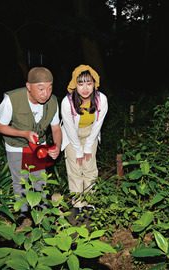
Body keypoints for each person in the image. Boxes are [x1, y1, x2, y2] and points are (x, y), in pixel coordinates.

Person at [0, 66, 61, 216]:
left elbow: (56, 128)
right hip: (16, 146)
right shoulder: (12, 100)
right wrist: (23, 133)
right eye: (41, 88)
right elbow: (0, 127)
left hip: (39, 146)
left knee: (39, 179)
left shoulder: (53, 102)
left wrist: (57, 145)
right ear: (28, 87)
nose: (46, 94)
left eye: (50, 88)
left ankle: (41, 214)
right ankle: (23, 215)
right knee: (20, 182)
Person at [61, 64, 108, 213]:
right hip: (71, 135)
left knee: (89, 168)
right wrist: (78, 150)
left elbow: (98, 124)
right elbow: (69, 127)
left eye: (89, 83)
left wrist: (87, 147)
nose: (85, 88)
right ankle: (77, 203)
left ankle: (90, 201)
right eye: (81, 83)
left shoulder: (102, 99)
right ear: (75, 84)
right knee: (75, 168)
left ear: (95, 84)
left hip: (90, 133)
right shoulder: (66, 102)